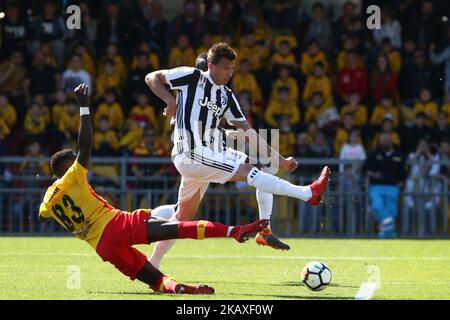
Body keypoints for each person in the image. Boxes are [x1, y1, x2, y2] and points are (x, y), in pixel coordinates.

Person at [38, 83, 269, 295]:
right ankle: (234, 231)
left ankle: (179, 288)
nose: (78, 161)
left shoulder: (47, 201)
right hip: (117, 225)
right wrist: (85, 109)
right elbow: (86, 146)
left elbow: (43, 214)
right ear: (67, 167)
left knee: (155, 281)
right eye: (73, 159)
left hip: (102, 247)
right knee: (178, 228)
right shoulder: (73, 176)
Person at [145, 43, 330, 267]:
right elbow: (151, 77)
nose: (230, 73)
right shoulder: (191, 77)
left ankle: (152, 263)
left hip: (208, 154)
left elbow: (246, 130)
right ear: (210, 67)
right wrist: (170, 101)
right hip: (190, 153)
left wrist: (279, 160)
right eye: (225, 68)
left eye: (232, 69)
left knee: (182, 217)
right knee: (250, 171)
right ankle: (307, 193)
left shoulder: (226, 96)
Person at [363, 133, 406, 239]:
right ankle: (391, 232)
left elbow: (403, 173)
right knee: (377, 206)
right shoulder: (374, 154)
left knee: (391, 211)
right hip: (376, 187)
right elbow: (364, 169)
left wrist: (401, 183)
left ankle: (384, 235)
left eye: (386, 140)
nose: (384, 143)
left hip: (393, 187)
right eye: (382, 141)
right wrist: (374, 174)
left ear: (391, 141)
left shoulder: (399, 155)